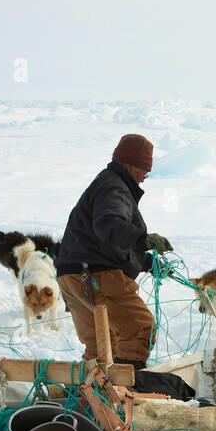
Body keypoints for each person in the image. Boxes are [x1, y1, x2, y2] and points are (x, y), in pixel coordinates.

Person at [56, 134, 174, 368]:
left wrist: (147, 263)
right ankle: (123, 394)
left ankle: (84, 398)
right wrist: (144, 239)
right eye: (144, 171)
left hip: (71, 275)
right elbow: (109, 226)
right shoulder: (115, 188)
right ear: (131, 164)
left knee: (101, 346)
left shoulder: (105, 183)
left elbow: (107, 244)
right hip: (96, 277)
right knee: (140, 328)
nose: (143, 179)